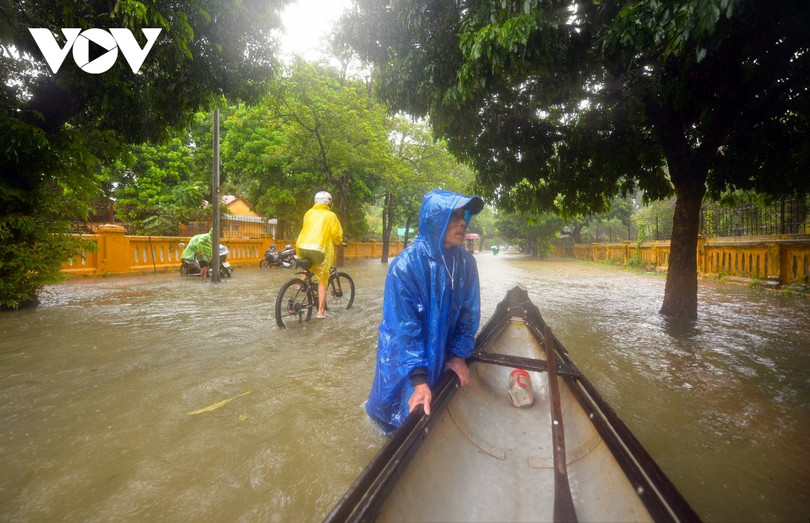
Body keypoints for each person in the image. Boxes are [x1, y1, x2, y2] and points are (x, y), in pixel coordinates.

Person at [366, 189, 484, 432]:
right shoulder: (405, 267)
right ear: (435, 221)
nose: (463, 222)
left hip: (441, 357)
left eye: (464, 216)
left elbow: (468, 315)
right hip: (403, 366)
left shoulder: (465, 263)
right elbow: (405, 330)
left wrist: (459, 356)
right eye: (454, 216)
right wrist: (419, 381)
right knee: (393, 421)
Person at [296, 191, 344, 318]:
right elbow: (336, 234)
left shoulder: (308, 213)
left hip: (302, 247)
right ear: (329, 202)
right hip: (319, 249)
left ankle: (298, 287)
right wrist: (340, 242)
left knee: (309, 269)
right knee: (323, 280)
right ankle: (320, 312)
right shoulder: (330, 215)